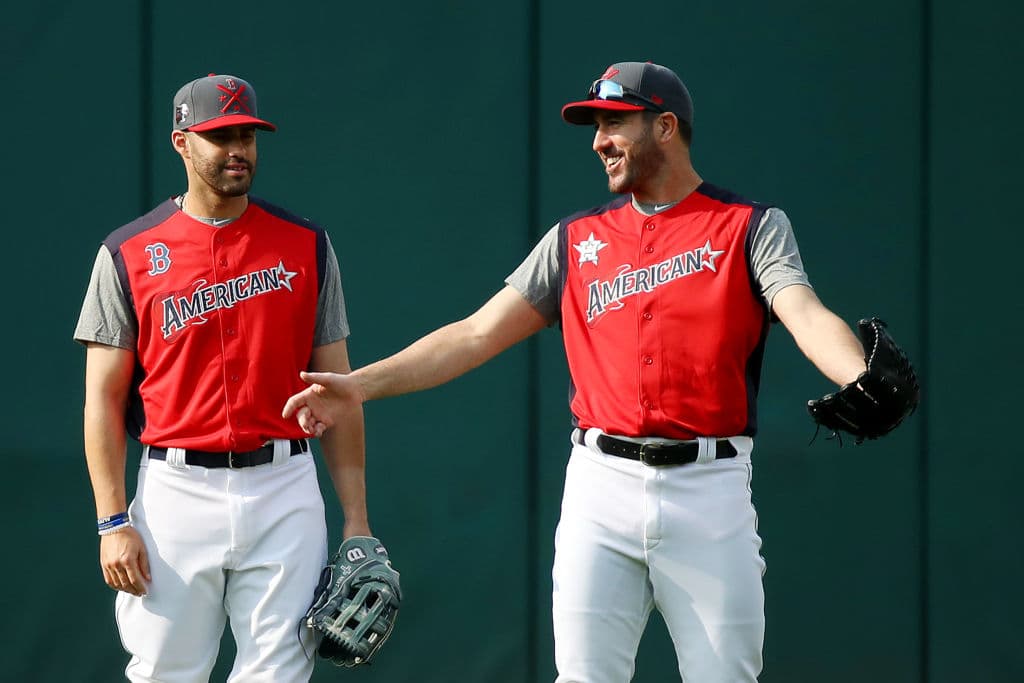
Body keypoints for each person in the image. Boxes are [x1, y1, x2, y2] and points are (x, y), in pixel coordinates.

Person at [283, 61, 879, 682]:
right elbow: (474, 334)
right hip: (601, 486)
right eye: (595, 126)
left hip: (710, 489)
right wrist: (360, 385)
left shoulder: (749, 226)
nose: (599, 141)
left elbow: (803, 311)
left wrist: (854, 374)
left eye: (614, 123)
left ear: (665, 126)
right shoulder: (576, 238)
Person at [74, 73, 372, 683]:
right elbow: (101, 400)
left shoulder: (306, 244)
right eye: (221, 136)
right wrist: (112, 521)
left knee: (280, 672)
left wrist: (357, 520)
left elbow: (339, 391)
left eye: (247, 135)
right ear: (182, 142)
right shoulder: (128, 252)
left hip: (284, 484)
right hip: (175, 490)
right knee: (166, 670)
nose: (238, 149)